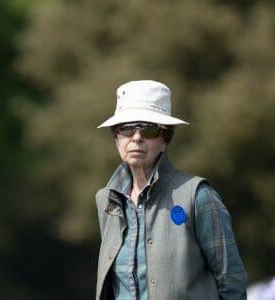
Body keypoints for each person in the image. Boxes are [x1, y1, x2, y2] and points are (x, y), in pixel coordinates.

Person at [95, 80, 247, 300]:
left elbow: (231, 281)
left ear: (164, 139)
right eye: (126, 128)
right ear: (116, 137)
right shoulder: (106, 200)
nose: (136, 137)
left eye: (149, 130)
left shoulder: (198, 195)